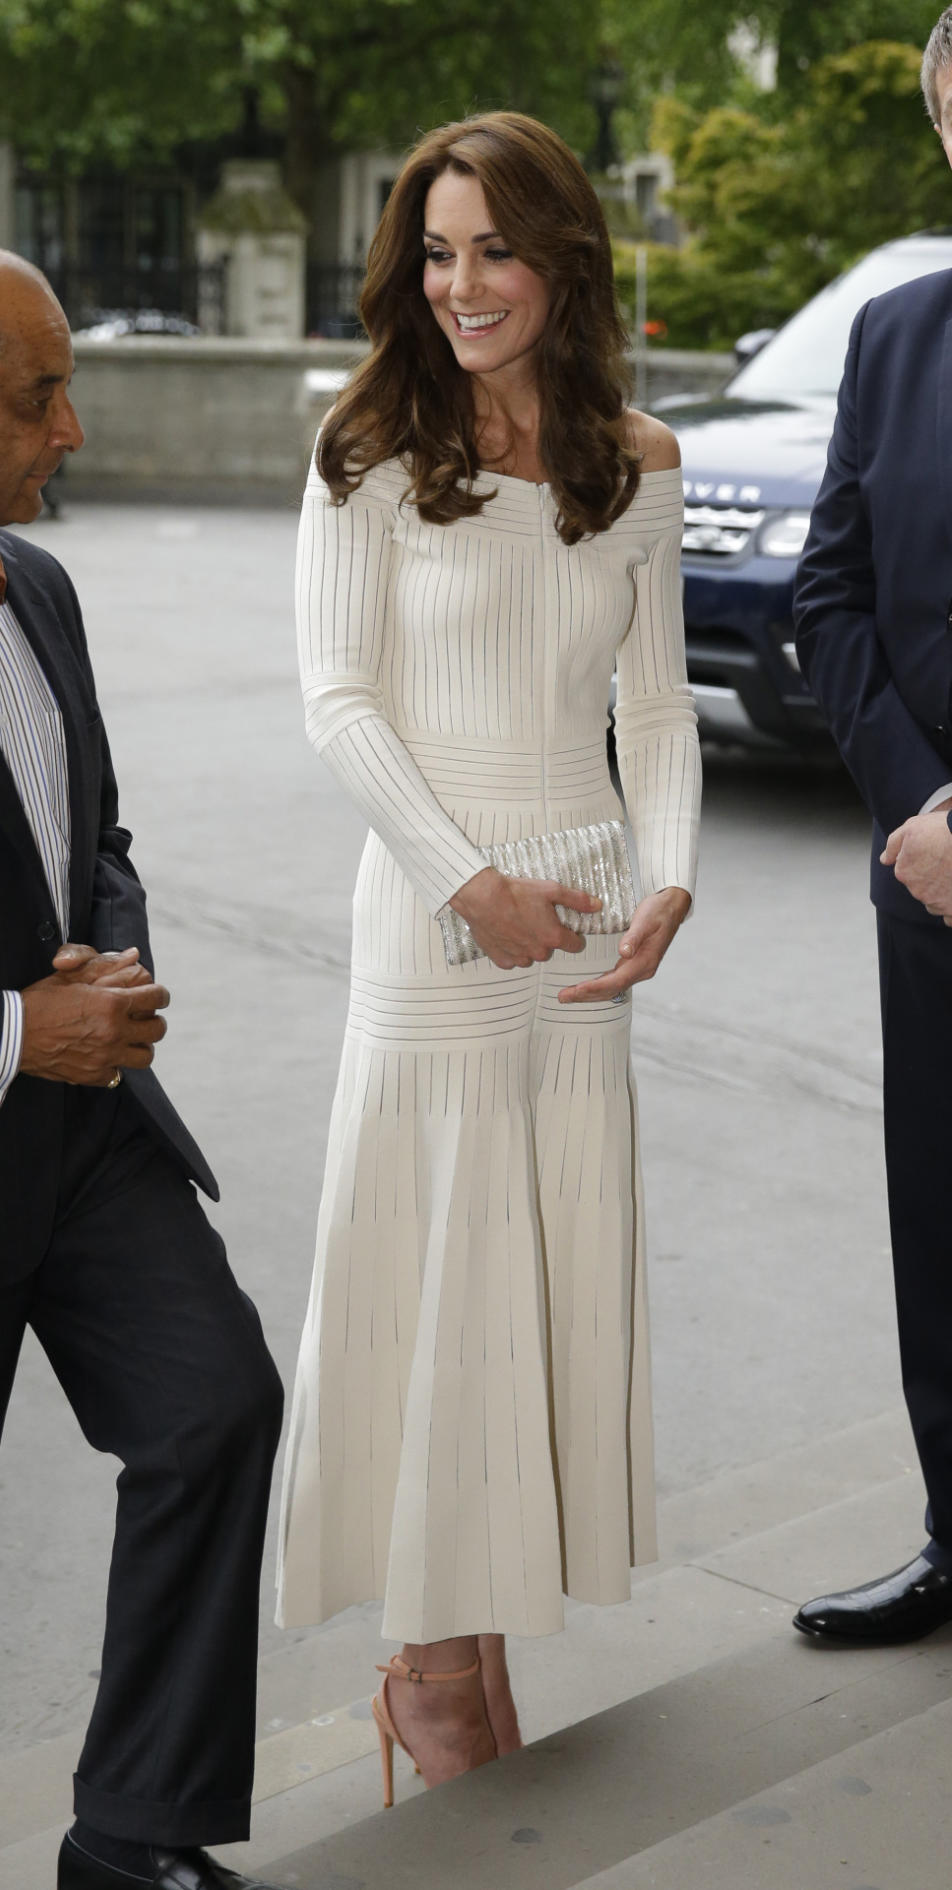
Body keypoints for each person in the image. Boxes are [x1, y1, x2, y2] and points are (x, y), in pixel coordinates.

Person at [275, 111, 700, 1800]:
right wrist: (467, 882)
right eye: (436, 253)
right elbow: (338, 702)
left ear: (562, 259)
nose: (461, 285)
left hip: (584, 931)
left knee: (527, 1283)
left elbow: (656, 712)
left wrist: (667, 881)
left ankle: (475, 1627)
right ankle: (428, 1657)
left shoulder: (634, 462)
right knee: (432, 1272)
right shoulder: (366, 448)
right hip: (435, 920)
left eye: (493, 249)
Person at [0, 248, 285, 1890]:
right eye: (39, 397)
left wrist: (107, 958)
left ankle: (131, 1840)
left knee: (213, 1406)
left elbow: (92, 831)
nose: (74, 428)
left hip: (91, 1132)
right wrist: (13, 1028)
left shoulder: (41, 589)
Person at [792, 6, 952, 1646]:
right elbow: (830, 594)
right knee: (941, 1220)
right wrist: (924, 807)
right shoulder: (894, 334)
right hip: (933, 878)